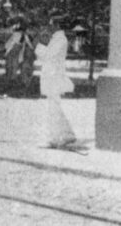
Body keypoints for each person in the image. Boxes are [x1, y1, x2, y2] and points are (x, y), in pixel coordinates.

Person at [35, 17, 77, 148]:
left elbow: (47, 56)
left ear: (58, 25)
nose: (49, 26)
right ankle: (67, 134)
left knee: (53, 107)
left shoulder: (60, 40)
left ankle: (54, 138)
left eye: (51, 23)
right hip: (51, 76)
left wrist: (41, 44)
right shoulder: (56, 39)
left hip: (54, 77)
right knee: (53, 106)